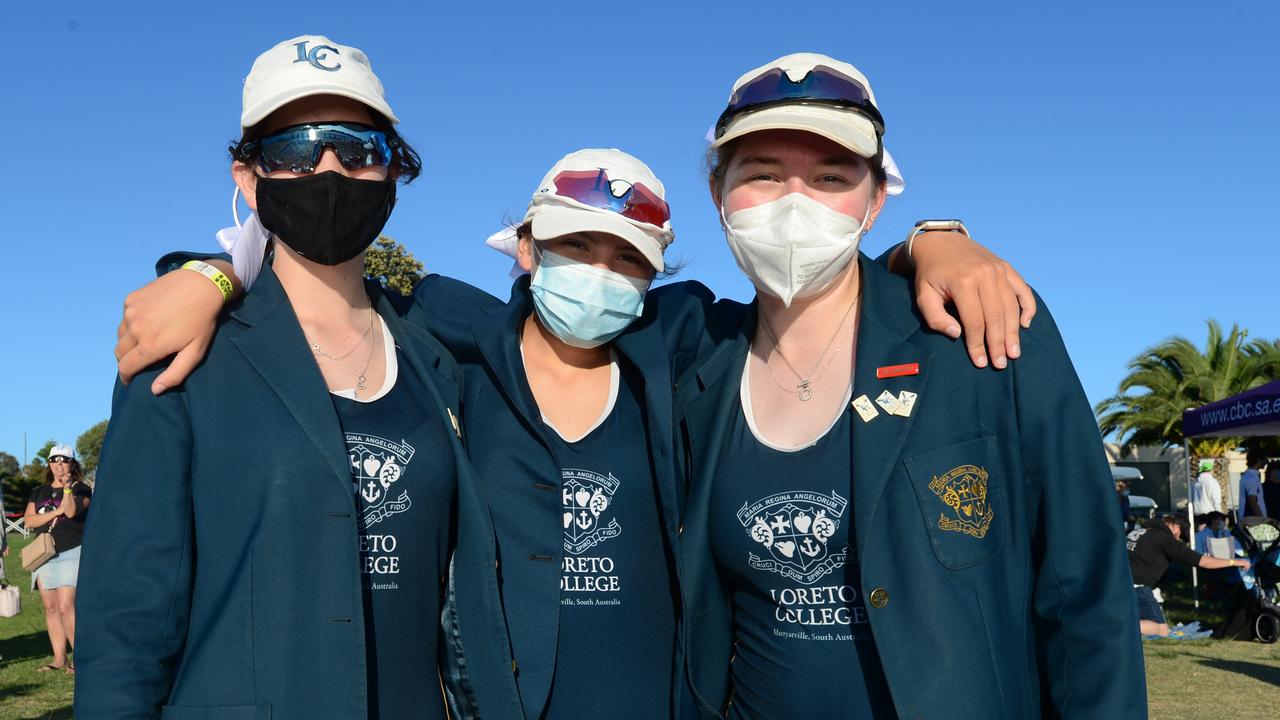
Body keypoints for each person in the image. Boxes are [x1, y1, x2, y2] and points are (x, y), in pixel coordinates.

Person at [107, 58, 1045, 720]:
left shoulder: (681, 346)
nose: (596, 275)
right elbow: (322, 279)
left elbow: (824, 295)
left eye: (622, 258)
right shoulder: (454, 340)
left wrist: (935, 238)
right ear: (524, 249)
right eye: (570, 248)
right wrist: (215, 268)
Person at [674, 52, 1147, 718]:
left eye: (831, 176)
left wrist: (931, 239)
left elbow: (1086, 595)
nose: (794, 203)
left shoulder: (984, 328)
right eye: (762, 173)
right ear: (719, 192)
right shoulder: (696, 360)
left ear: (874, 204)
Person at [75, 36, 519, 720]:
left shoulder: (437, 354)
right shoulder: (185, 352)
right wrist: (205, 273)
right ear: (248, 177)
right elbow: (126, 624)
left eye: (359, 146)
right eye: (293, 147)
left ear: (393, 171)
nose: (329, 167)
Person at [23, 444, 92, 673]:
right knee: (50, 607)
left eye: (64, 460)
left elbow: (71, 512)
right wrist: (55, 512)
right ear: (49, 464)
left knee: (65, 606)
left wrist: (68, 489)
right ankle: (59, 658)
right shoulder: (38, 492)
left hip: (71, 551)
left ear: (72, 464)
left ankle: (79, 659)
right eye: (54, 460)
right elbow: (29, 521)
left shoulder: (82, 489)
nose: (58, 464)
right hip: (45, 554)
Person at [1127, 514, 1248, 636]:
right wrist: (1234, 562)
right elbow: (1203, 561)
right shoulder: (1166, 538)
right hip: (1137, 586)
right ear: (1175, 527)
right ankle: (1117, 626)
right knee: (1161, 630)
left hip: (1118, 581)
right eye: (1181, 536)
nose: (1179, 540)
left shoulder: (1139, 531)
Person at [1239, 450, 1268, 520]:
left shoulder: (1249, 476)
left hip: (1251, 520)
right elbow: (1252, 501)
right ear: (1258, 460)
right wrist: (1262, 520)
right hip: (1252, 521)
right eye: (1265, 460)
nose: (1266, 462)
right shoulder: (1251, 478)